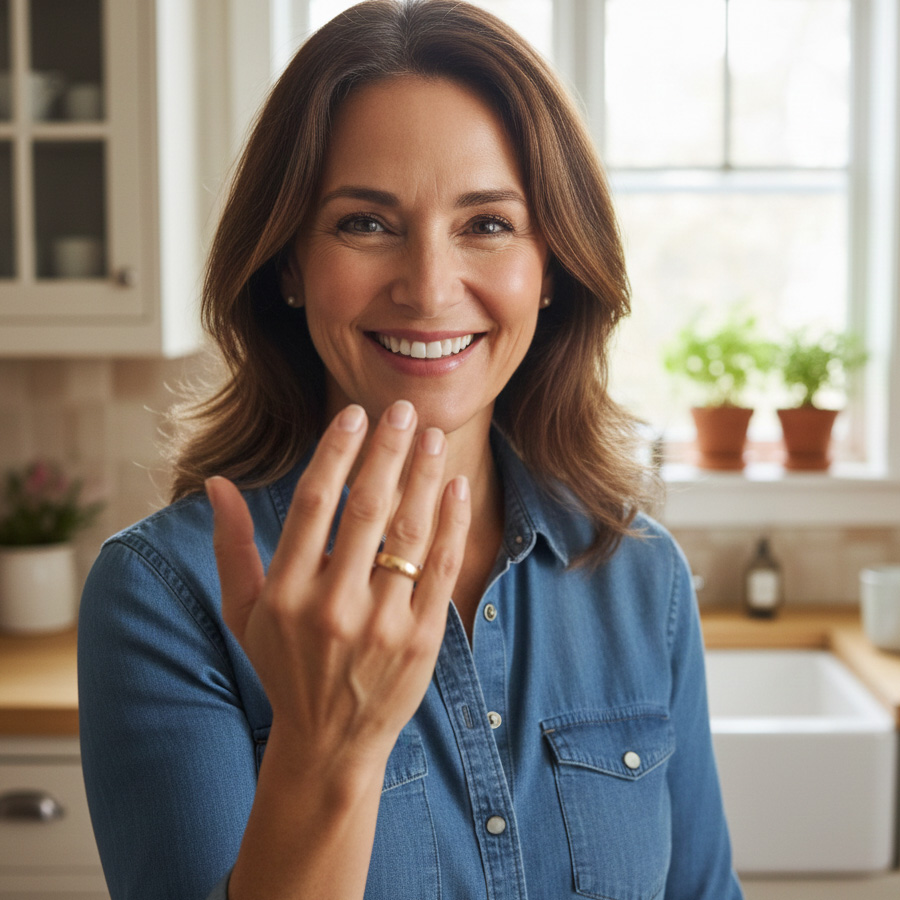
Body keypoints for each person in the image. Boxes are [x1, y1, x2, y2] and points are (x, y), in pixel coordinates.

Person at [78, 2, 744, 898]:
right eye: (365, 222)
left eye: (488, 224)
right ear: (287, 262)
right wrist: (326, 747)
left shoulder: (638, 576)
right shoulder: (166, 597)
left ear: (550, 268)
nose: (430, 287)